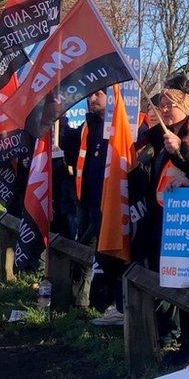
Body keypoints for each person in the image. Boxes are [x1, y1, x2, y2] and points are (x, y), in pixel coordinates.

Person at [128, 73, 189, 364]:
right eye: (161, 105)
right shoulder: (162, 134)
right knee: (172, 283)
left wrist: (181, 154)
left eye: (171, 105)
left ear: (187, 106)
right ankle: (184, 341)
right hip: (164, 221)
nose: (164, 110)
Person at [60, 89, 114, 311]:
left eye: (97, 95)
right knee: (84, 249)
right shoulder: (88, 125)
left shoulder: (120, 125)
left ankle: (100, 303)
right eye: (90, 95)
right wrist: (60, 119)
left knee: (99, 252)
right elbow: (69, 147)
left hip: (108, 203)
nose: (91, 99)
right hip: (86, 199)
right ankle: (81, 302)